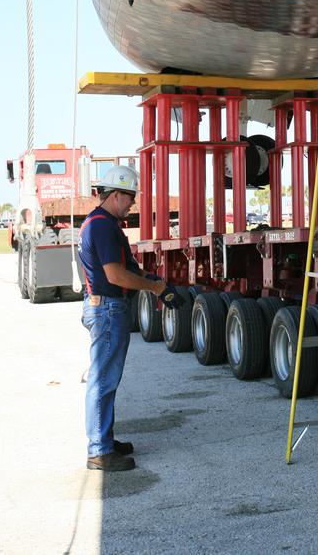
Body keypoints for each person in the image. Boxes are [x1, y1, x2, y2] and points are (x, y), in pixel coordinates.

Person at [78, 164, 182, 472]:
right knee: (103, 380)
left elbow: (126, 270)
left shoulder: (99, 223)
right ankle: (99, 450)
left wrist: (155, 282)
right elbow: (115, 274)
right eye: (130, 196)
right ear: (115, 195)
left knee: (106, 379)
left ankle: (105, 441)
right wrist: (153, 287)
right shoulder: (103, 226)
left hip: (104, 306)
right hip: (108, 308)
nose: (133, 203)